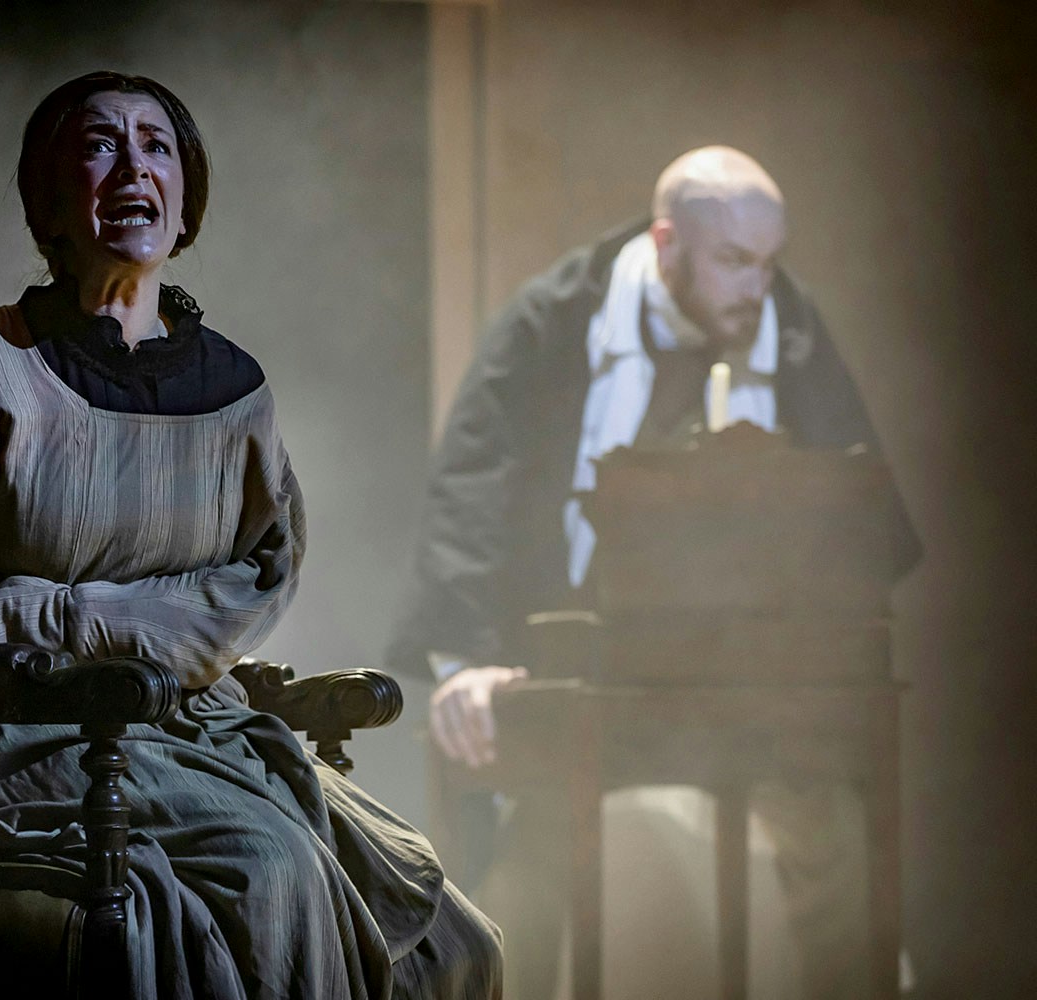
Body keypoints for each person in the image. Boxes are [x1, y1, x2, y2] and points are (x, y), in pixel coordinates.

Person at [0, 71, 505, 1000]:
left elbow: (256, 581)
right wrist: (111, 625)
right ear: (49, 195)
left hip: (188, 724)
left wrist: (147, 640)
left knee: (452, 939)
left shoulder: (235, 392)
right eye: (100, 144)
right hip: (3, 731)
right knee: (274, 873)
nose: (133, 167)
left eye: (156, 146)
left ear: (185, 193)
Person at [391, 146, 920, 998]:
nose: (759, 285)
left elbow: (857, 514)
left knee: (834, 840)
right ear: (668, 243)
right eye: (735, 261)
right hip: (582, 669)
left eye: (770, 262)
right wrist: (465, 659)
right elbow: (473, 489)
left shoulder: (781, 318)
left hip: (746, 672)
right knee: (527, 876)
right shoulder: (559, 318)